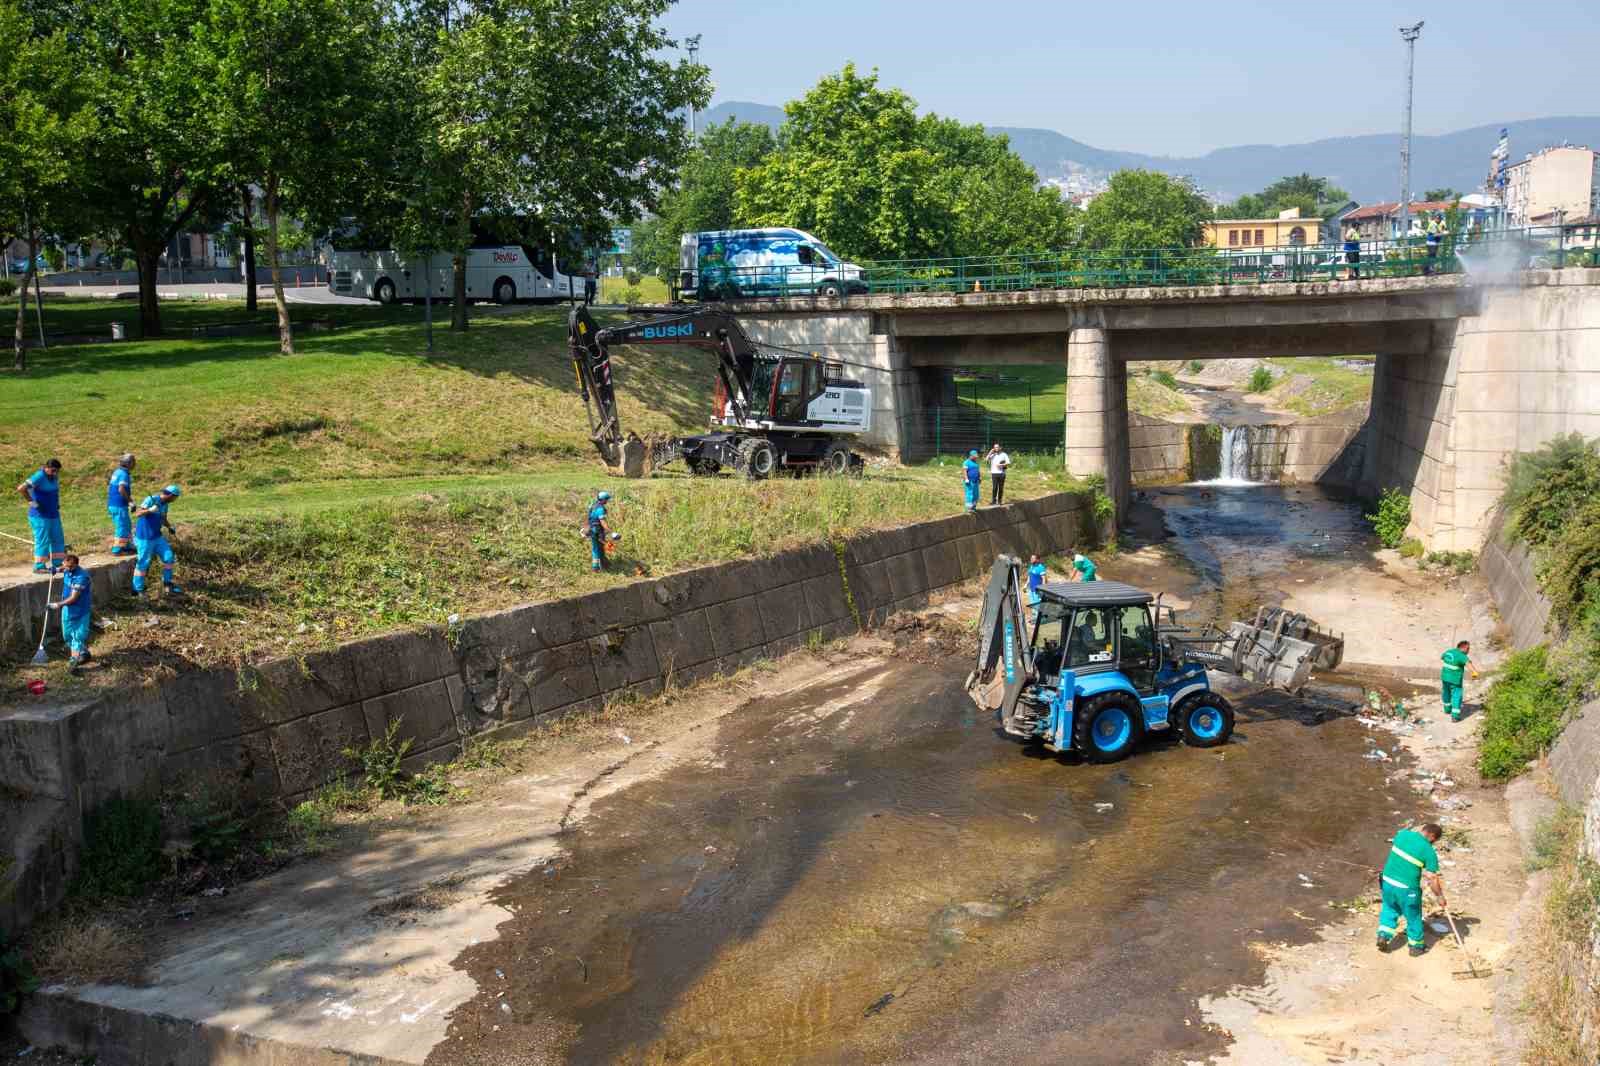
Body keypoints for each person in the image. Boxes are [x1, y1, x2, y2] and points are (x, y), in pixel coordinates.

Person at [1377, 822, 1447, 957]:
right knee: (1413, 916)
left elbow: (1397, 843)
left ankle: (1383, 935)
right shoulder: (1429, 851)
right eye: (1435, 841)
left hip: (1387, 881)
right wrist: (1439, 896)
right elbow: (1432, 878)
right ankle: (1416, 947)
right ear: (1432, 837)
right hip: (1407, 889)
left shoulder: (1402, 835)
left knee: (1389, 908)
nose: (1433, 843)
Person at [132, 484, 182, 598]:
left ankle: (167, 583)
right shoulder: (151, 500)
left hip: (157, 537)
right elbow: (138, 513)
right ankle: (137, 590)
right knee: (143, 563)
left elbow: (163, 518)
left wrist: (169, 527)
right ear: (170, 495)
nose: (175, 500)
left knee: (168, 557)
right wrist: (150, 510)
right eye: (175, 497)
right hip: (145, 538)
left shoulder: (165, 505)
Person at [47, 553, 93, 674]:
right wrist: (56, 569)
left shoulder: (81, 577)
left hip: (79, 610)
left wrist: (57, 605)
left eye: (69, 567)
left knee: (77, 637)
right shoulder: (67, 568)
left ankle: (73, 664)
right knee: (67, 635)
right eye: (65, 566)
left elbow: (73, 598)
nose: (66, 569)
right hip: (67, 609)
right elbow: (64, 568)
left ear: (76, 566)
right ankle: (84, 653)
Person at [17, 458, 65, 573]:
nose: (55, 473)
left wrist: (57, 503)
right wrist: (33, 503)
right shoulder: (39, 476)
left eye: (57, 471)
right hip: (40, 515)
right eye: (53, 470)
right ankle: (39, 565)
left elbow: (55, 491)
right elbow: (21, 489)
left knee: (57, 537)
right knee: (42, 539)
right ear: (46, 467)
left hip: (53, 513)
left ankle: (58, 563)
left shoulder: (54, 476)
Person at [1440, 639, 1480, 722]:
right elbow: (1469, 664)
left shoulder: (1449, 651)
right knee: (1456, 696)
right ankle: (1455, 716)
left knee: (1446, 692)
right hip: (1455, 679)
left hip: (1444, 677)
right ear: (1464, 648)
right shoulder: (1462, 656)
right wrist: (1474, 673)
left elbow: (1442, 657)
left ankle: (1447, 709)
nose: (1468, 651)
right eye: (1468, 649)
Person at [107, 453, 135, 556]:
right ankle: (117, 549)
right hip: (119, 505)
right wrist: (130, 502)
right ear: (128, 463)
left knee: (126, 525)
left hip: (114, 504)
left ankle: (126, 546)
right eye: (133, 461)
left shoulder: (117, 472)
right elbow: (121, 489)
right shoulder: (124, 474)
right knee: (122, 527)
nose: (135, 464)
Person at [585, 490, 615, 571]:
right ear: (603, 499)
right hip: (598, 531)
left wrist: (587, 528)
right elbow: (603, 522)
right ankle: (604, 564)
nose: (607, 501)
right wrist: (611, 532)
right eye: (606, 499)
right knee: (603, 546)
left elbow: (588, 518)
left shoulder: (592, 505)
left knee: (595, 548)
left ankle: (595, 567)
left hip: (591, 530)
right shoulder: (601, 509)